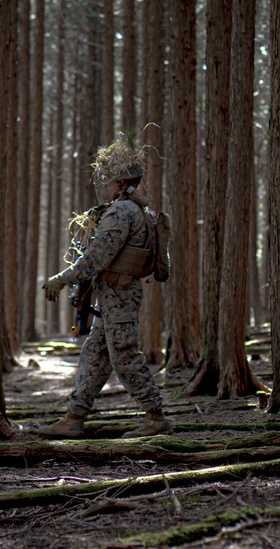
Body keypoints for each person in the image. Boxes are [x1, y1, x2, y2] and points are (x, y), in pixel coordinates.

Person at [37, 132, 171, 439]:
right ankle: (74, 417)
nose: (105, 185)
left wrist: (61, 279)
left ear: (122, 183)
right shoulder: (133, 209)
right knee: (95, 353)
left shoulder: (122, 211)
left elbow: (97, 257)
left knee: (123, 353)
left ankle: (155, 416)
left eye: (109, 180)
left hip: (119, 294)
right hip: (114, 294)